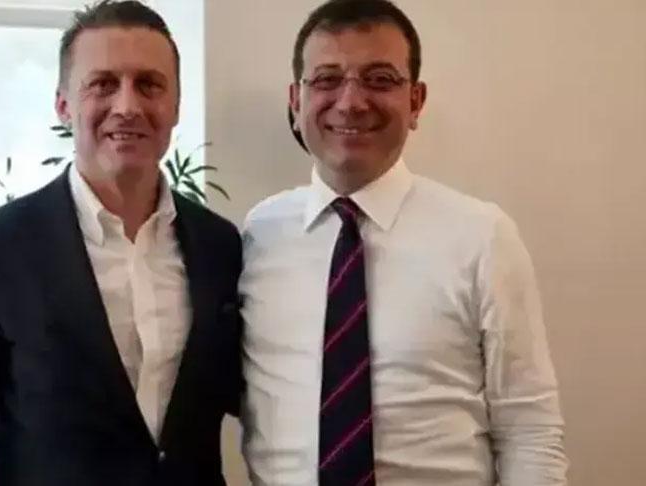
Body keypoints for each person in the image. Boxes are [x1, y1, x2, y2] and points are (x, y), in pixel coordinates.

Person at [0, 1, 243, 484]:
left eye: (149, 84)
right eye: (103, 84)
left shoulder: (220, 246)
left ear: (175, 105)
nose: (127, 106)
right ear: (63, 105)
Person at [239, 0, 568, 484]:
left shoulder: (482, 237)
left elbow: (529, 431)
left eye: (379, 79)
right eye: (327, 79)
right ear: (296, 99)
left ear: (415, 101)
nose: (351, 102)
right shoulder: (259, 234)